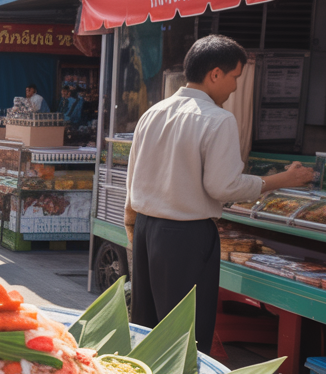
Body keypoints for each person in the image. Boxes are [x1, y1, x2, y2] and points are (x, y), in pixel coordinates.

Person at [125, 34, 312, 355]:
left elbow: (134, 174)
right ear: (215, 74)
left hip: (146, 229)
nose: (235, 87)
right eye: (235, 77)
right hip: (185, 235)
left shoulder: (154, 112)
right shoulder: (218, 119)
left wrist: (131, 222)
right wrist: (281, 180)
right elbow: (222, 187)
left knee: (148, 326)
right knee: (184, 335)